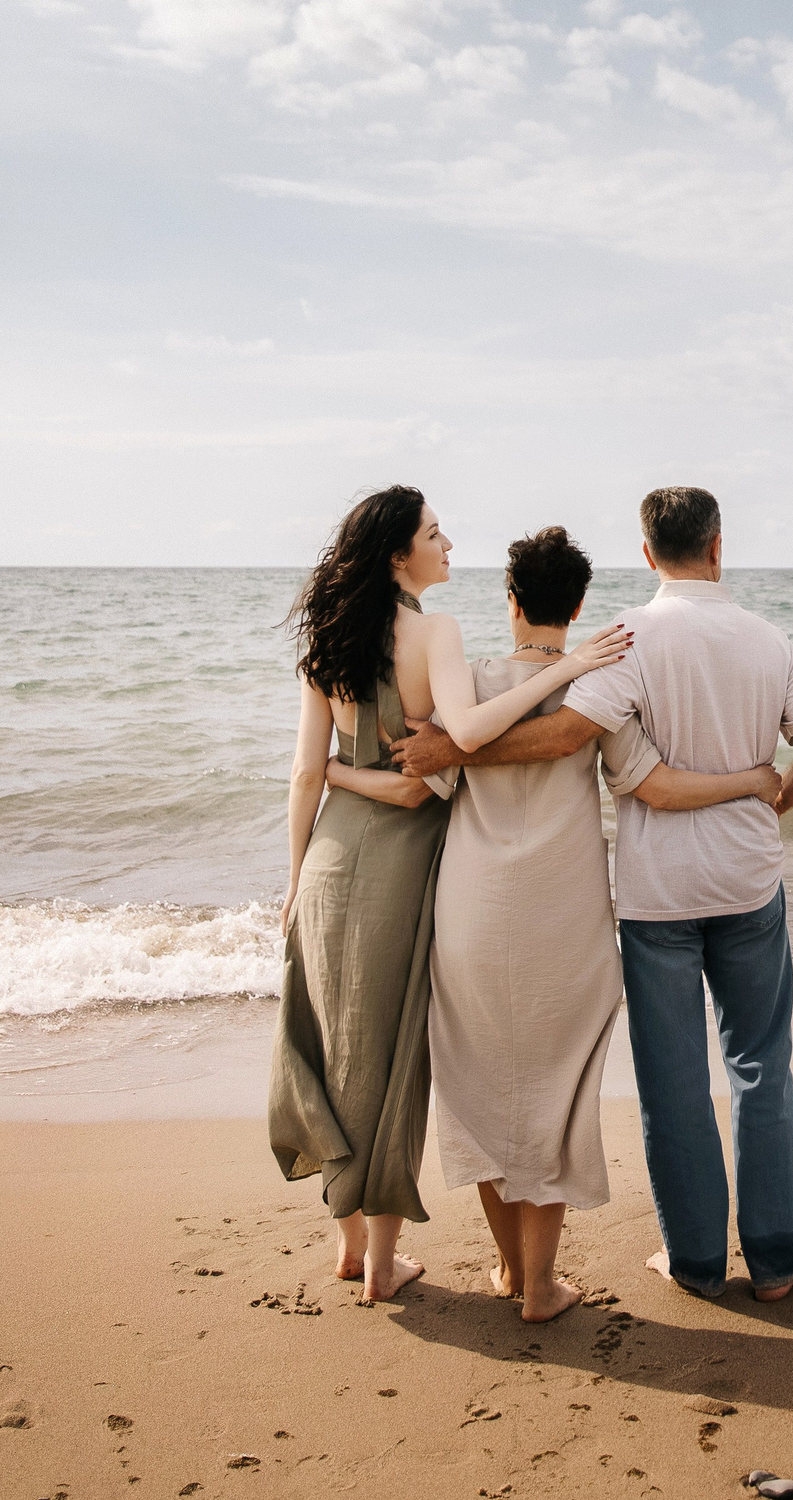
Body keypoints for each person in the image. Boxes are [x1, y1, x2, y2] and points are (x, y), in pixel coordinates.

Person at [394, 486, 793, 1302]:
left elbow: (566, 734)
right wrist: (772, 800)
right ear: (718, 546)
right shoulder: (768, 638)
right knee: (760, 1067)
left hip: (657, 897)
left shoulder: (631, 638)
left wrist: (449, 751)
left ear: (646, 553)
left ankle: (695, 1262)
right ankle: (779, 1263)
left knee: (673, 1083)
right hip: (748, 883)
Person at [270, 486, 630, 1301]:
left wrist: (300, 862)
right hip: (441, 880)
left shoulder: (336, 642)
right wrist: (571, 667)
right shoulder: (442, 638)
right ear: (402, 552)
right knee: (411, 1060)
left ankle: (360, 1246)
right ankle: (428, 1267)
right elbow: (454, 751)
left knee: (340, 1050)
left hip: (342, 865)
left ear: (513, 600)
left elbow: (318, 772)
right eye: (435, 533)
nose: (448, 543)